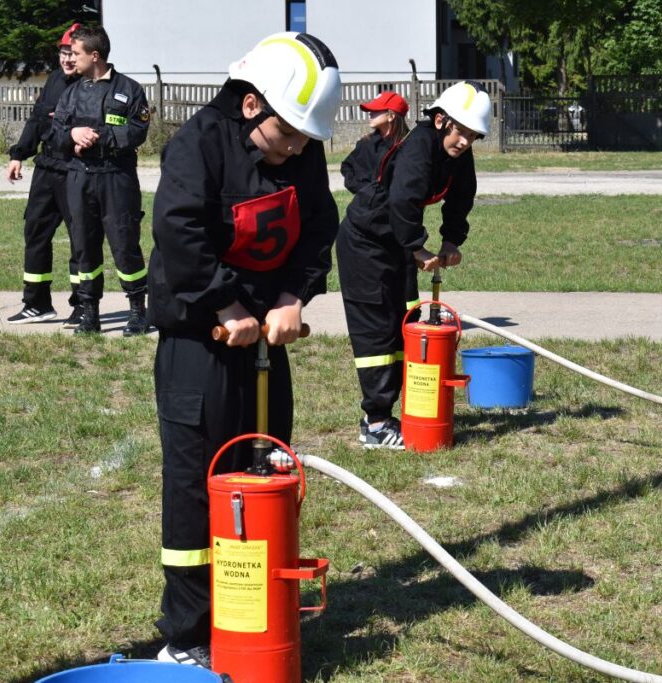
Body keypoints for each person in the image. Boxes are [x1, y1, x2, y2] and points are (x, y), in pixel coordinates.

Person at [147, 32, 341, 667]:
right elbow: (179, 229)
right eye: (289, 135)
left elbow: (318, 228)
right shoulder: (198, 144)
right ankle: (188, 634)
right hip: (198, 339)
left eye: (307, 140)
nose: (296, 150)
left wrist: (292, 298)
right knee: (198, 483)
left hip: (262, 339)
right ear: (253, 106)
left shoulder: (298, 150)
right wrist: (225, 304)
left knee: (266, 471)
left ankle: (255, 609)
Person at [337, 80, 490, 449]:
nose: (465, 142)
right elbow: (403, 200)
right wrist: (418, 248)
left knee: (401, 323)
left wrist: (452, 240)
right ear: (440, 121)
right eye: (462, 133)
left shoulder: (457, 153)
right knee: (377, 333)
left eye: (473, 137)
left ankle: (402, 411)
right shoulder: (419, 147)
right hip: (365, 243)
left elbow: (461, 197)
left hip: (396, 242)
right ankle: (374, 423)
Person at [47, 25, 150, 336]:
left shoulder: (129, 90)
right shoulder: (72, 92)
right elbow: (55, 134)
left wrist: (100, 137)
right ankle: (89, 313)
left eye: (75, 53)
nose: (70, 58)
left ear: (95, 56)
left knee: (124, 245)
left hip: (116, 178)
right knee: (83, 247)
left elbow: (137, 131)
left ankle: (137, 311)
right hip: (80, 179)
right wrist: (72, 134)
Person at [5, 23, 82, 325]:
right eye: (64, 52)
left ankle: (83, 306)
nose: (67, 59)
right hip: (46, 170)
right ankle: (36, 304)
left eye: (73, 54)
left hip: (75, 172)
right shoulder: (53, 80)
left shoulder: (93, 86)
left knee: (81, 240)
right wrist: (18, 154)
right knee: (35, 232)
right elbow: (37, 120)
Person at [339, 91, 422, 315]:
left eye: (375, 110)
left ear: (392, 115)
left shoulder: (408, 147)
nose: (369, 114)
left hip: (397, 217)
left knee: (405, 266)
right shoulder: (366, 144)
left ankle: (410, 317)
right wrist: (366, 191)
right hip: (370, 218)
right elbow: (347, 168)